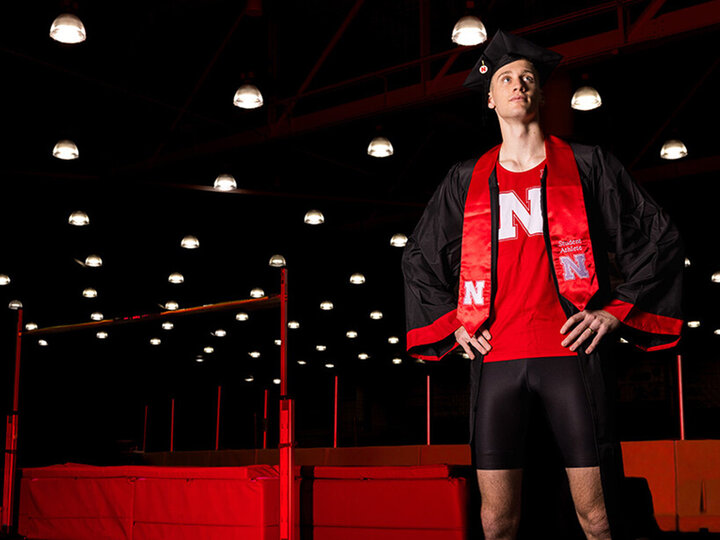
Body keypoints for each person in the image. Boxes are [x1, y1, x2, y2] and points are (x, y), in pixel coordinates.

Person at [402, 30, 683, 540]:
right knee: (495, 521)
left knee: (598, 520)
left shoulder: (589, 165)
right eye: (506, 78)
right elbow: (419, 255)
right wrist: (454, 325)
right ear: (490, 98)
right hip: (497, 358)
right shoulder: (467, 178)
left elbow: (656, 235)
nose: (518, 84)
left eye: (527, 78)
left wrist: (614, 311)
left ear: (541, 93)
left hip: (570, 354)